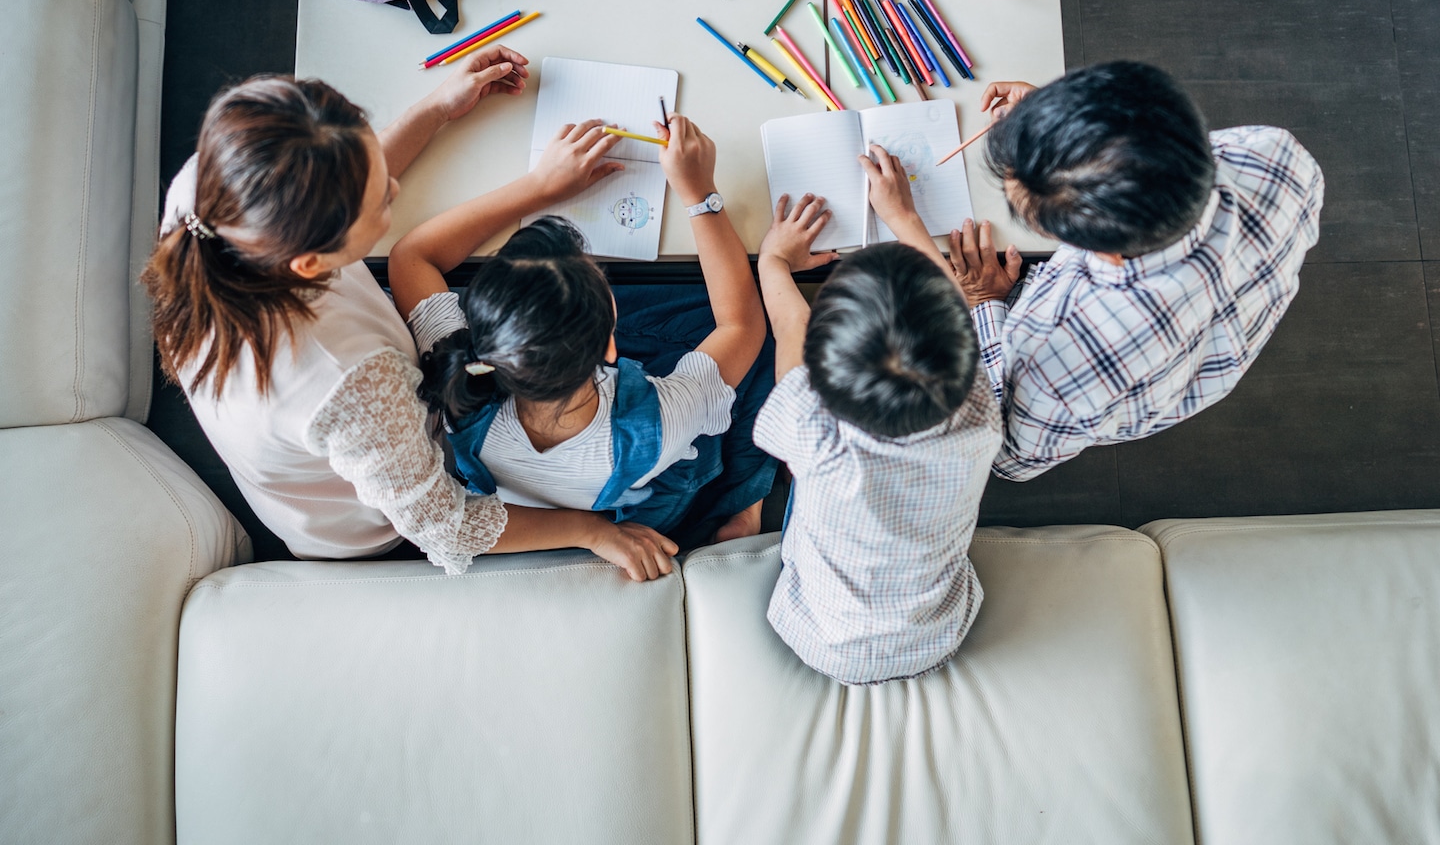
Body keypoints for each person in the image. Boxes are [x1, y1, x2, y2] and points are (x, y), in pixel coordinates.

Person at [142, 50, 678, 581]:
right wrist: (592, 530)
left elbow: (343, 183)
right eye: (379, 203)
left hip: (377, 420)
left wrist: (436, 110)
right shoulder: (346, 380)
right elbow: (444, 525)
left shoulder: (213, 191)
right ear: (309, 262)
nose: (393, 190)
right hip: (383, 516)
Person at [388, 115, 776, 551]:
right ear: (611, 345)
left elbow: (411, 257)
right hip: (644, 494)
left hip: (550, 496)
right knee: (764, 339)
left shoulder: (456, 383)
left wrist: (539, 186)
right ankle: (744, 498)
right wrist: (699, 193)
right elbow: (741, 324)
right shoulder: (659, 421)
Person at [949, 61, 1324, 480]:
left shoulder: (1059, 352)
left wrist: (986, 301)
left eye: (1037, 216)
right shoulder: (1272, 153)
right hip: (1229, 320)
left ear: (1097, 250)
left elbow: (1007, 461)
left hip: (1128, 379)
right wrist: (1065, 129)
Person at [751, 150, 1003, 685]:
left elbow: (790, 326)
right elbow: (955, 319)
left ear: (820, 370)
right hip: (937, 634)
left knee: (797, 470)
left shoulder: (811, 432)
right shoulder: (981, 413)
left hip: (821, 638)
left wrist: (772, 261)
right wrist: (905, 218)